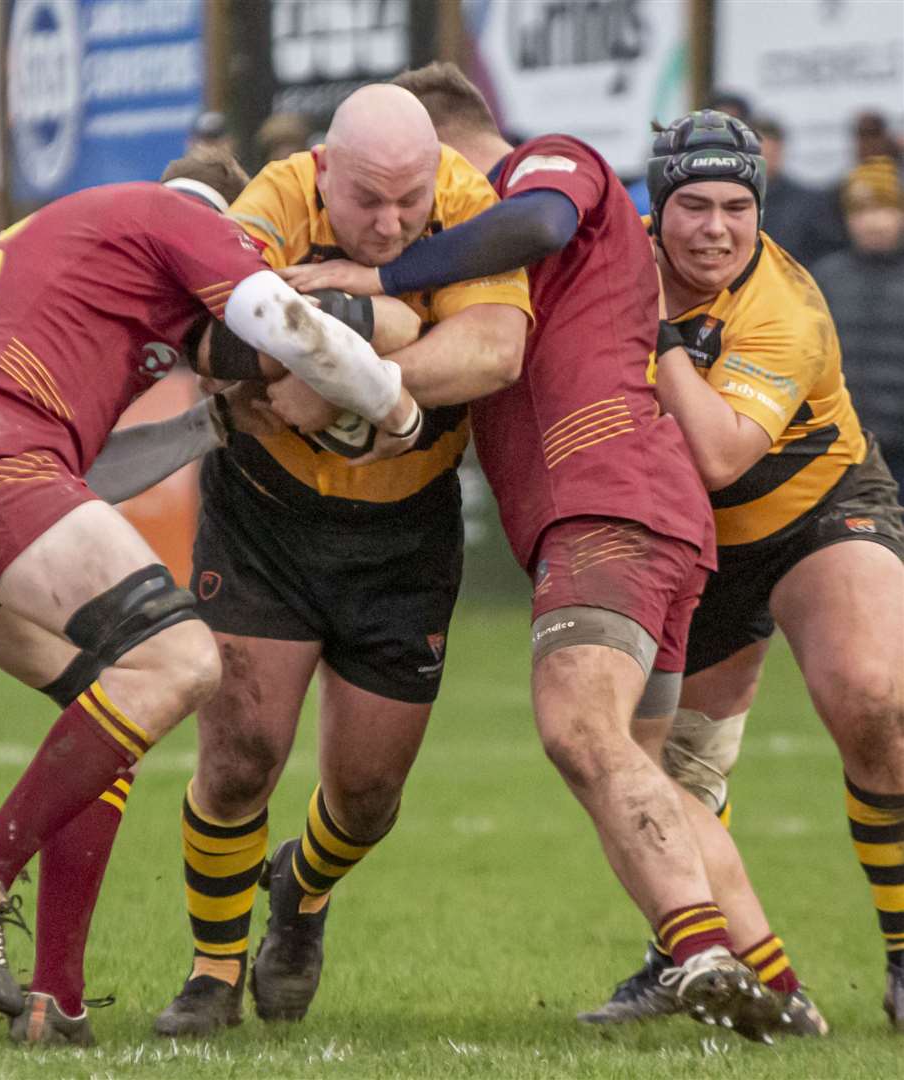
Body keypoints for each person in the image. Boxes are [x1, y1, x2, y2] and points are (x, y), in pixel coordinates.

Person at [284, 66, 814, 1042]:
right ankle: (779, 988)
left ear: (447, 155)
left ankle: (694, 950)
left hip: (603, 501)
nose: (407, 219)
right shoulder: (475, 265)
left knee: (578, 728)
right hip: (644, 512)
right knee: (643, 769)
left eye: (419, 194)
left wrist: (381, 276)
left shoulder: (547, 165)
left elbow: (533, 226)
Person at [0, 145, 425, 1047]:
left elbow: (82, 472)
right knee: (181, 659)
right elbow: (286, 320)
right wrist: (395, 410)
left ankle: (56, 1001)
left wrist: (207, 421)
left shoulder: (61, 252)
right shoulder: (174, 220)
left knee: (111, 717)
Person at [152, 82, 534, 1037]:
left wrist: (348, 368)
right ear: (327, 172)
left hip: (404, 535)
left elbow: (492, 350)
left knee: (366, 797)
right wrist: (381, 332)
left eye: (410, 202)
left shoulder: (464, 201)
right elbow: (210, 339)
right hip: (264, 517)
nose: (394, 222)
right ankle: (211, 973)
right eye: (369, 201)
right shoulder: (274, 200)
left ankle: (303, 890)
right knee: (241, 754)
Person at [586, 110, 904, 1033]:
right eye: (693, 205)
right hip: (689, 539)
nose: (716, 228)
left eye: (736, 206)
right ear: (658, 205)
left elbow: (723, 453)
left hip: (816, 507)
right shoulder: (613, 260)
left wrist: (650, 331)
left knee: (873, 700)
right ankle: (697, 953)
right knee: (670, 771)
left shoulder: (784, 306)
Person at [812, 156, 904, 485]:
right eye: (862, 211)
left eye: (887, 209)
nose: (875, 222)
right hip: (842, 449)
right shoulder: (824, 277)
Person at [749, 115, 846, 268]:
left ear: (780, 150)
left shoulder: (810, 203)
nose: (763, 162)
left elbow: (826, 257)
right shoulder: (729, 203)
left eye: (768, 155)